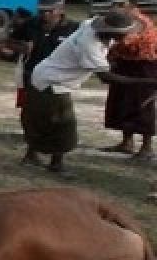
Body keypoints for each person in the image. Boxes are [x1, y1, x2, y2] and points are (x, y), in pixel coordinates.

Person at [23, 9, 144, 177]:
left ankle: (31, 155)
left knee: (42, 119)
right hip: (54, 82)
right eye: (123, 34)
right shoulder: (90, 45)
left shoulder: (92, 27)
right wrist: (145, 83)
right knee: (64, 124)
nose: (125, 37)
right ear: (110, 32)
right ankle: (56, 165)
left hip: (48, 75)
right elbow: (105, 78)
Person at [102, 0, 157, 159]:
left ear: (131, 4)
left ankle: (146, 147)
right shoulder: (123, 18)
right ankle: (127, 142)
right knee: (122, 101)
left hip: (144, 65)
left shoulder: (139, 21)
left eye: (120, 3)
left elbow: (124, 41)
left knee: (142, 103)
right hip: (125, 63)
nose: (116, 6)